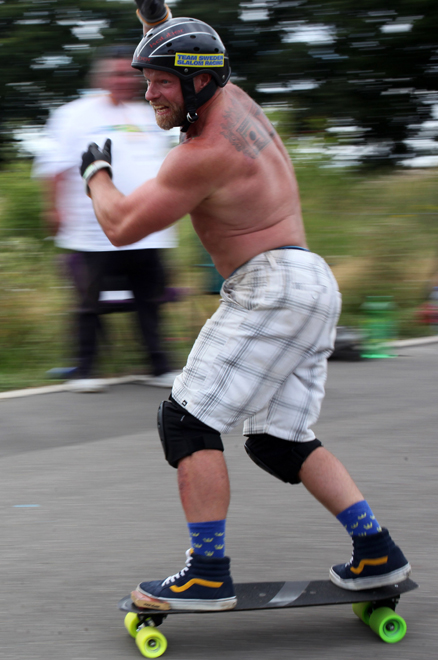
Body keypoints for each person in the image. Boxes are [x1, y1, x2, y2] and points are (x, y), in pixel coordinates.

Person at [80, 6, 411, 611]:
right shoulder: (234, 98)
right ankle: (377, 551)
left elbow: (123, 225)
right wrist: (156, 17)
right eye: (147, 78)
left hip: (272, 288)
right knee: (279, 440)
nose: (148, 93)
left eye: (159, 83)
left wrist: (96, 173)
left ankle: (207, 573)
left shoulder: (200, 153)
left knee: (187, 422)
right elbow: (189, 46)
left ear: (197, 83)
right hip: (312, 282)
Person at [33, 44, 179, 393]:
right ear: (99, 76)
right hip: (91, 231)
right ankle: (85, 370)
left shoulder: (150, 113)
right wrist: (52, 208)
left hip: (148, 229)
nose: (121, 80)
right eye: (113, 73)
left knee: (151, 301)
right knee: (88, 303)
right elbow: (52, 167)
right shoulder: (74, 114)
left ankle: (159, 366)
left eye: (128, 74)